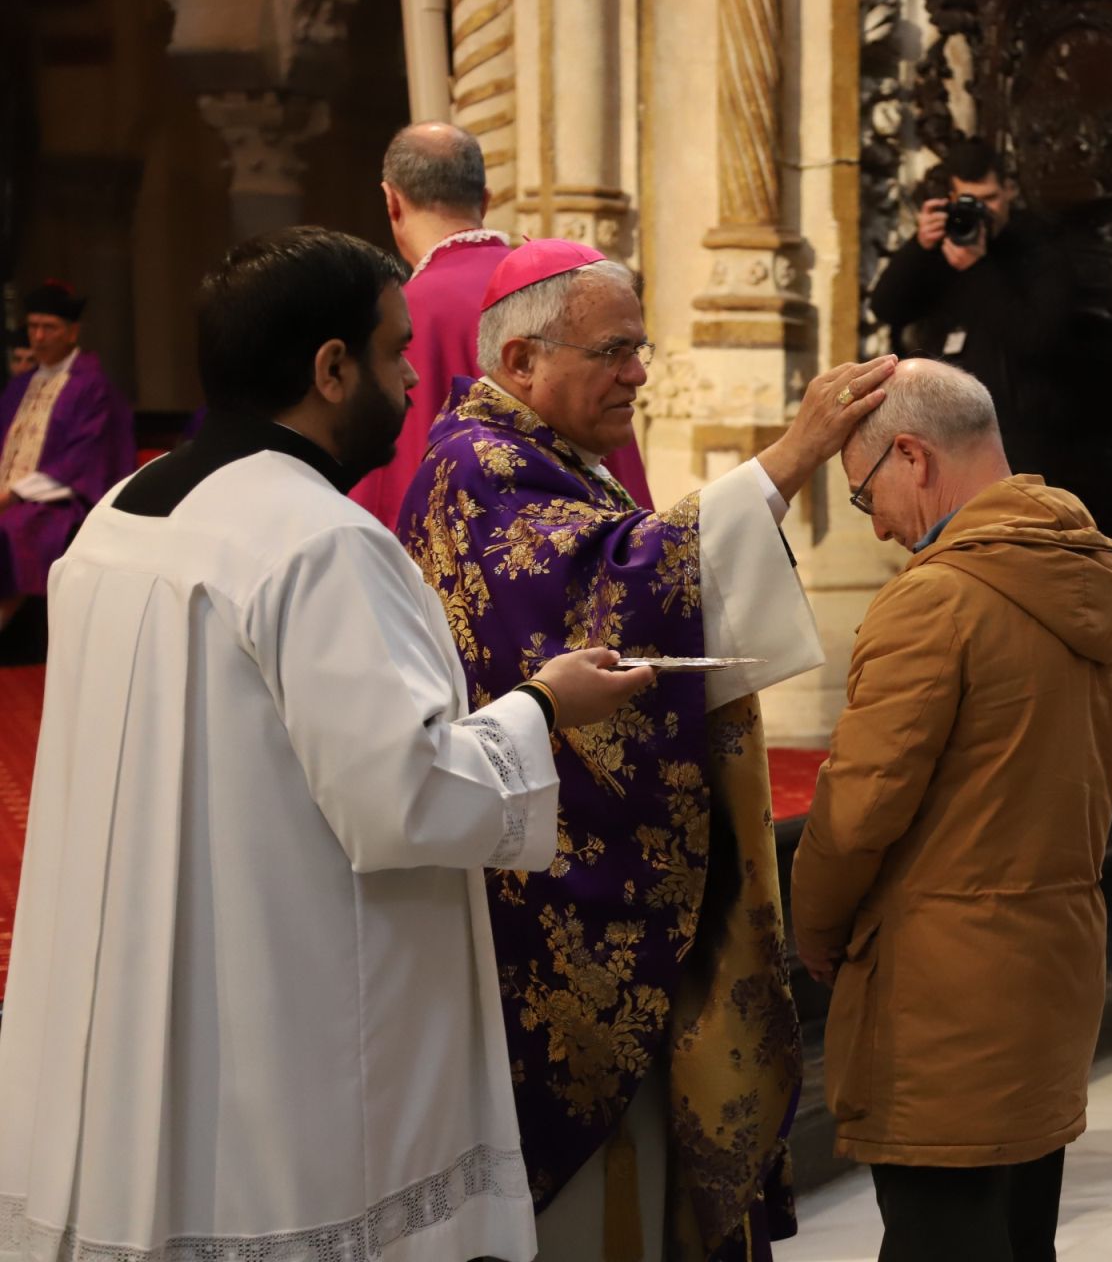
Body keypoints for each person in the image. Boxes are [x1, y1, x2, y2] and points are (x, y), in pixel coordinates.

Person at [0, 227, 658, 1261]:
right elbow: (407, 793)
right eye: (396, 355)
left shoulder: (121, 516)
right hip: (278, 1027)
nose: (410, 385)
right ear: (331, 367)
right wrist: (542, 703)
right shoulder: (321, 539)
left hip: (140, 998)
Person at [397, 237, 893, 1260]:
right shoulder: (478, 465)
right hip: (556, 892)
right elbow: (612, 592)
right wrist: (790, 457)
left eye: (643, 347)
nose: (638, 373)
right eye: (614, 350)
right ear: (525, 360)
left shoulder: (543, 452)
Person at [790, 358, 1112, 1262]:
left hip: (945, 998)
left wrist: (812, 924)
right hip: (1048, 971)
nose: (880, 528)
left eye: (867, 498)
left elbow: (858, 808)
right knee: (1021, 1239)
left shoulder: (936, 600)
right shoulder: (1078, 567)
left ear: (913, 456)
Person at [350, 122, 653, 529]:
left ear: (392, 202)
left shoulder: (401, 316)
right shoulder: (567, 293)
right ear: (486, 200)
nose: (637, 373)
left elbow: (392, 493)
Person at [867, 138, 1073, 474]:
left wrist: (977, 269)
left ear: (1009, 190)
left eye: (990, 198)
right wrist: (919, 248)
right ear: (950, 198)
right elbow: (886, 308)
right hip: (940, 426)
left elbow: (1039, 338)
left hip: (1014, 431)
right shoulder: (944, 243)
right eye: (970, 201)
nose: (982, 211)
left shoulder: (1039, 247)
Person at [0, 280, 134, 636]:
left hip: (59, 501)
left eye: (49, 328)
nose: (38, 337)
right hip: (10, 497)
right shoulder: (19, 385)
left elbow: (80, 460)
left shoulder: (91, 387)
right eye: (32, 327)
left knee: (10, 532)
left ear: (73, 332)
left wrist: (12, 495)